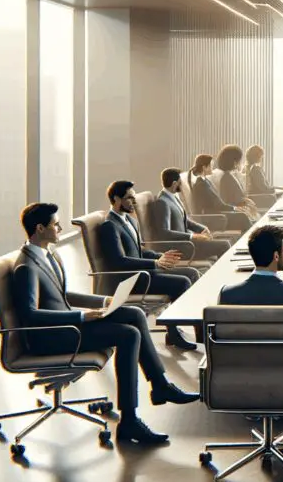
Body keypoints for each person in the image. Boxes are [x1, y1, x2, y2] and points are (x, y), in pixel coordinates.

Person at [12, 202, 199, 446]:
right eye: (55, 224)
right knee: (128, 335)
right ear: (39, 228)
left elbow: (62, 295)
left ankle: (160, 384)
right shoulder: (26, 267)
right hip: (54, 336)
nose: (59, 227)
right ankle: (129, 420)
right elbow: (30, 315)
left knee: (133, 313)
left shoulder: (48, 254)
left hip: (69, 326)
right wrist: (80, 317)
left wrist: (103, 300)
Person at [99, 180, 200, 349]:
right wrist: (154, 263)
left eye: (134, 197)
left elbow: (139, 250)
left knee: (191, 272)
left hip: (144, 272)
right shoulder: (110, 226)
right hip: (132, 279)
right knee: (182, 282)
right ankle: (173, 332)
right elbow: (118, 261)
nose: (134, 201)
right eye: (129, 198)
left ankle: (196, 327)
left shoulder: (130, 221)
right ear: (116, 199)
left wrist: (160, 256)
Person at [154, 167, 232, 261]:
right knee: (224, 245)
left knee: (221, 243)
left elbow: (184, 220)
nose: (182, 184)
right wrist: (193, 236)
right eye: (180, 182)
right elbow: (164, 233)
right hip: (182, 248)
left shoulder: (172, 197)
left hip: (187, 244)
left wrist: (202, 228)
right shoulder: (162, 202)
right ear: (174, 184)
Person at [189, 153, 253, 230]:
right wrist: (234, 208)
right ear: (204, 167)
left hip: (217, 213)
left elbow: (217, 202)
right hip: (214, 218)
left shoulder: (206, 181)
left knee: (246, 217)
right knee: (242, 217)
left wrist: (234, 208)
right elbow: (217, 204)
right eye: (210, 166)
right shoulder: (200, 185)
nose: (212, 168)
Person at [215, 144, 258, 213]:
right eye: (240, 160)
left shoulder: (230, 175)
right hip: (237, 214)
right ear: (235, 162)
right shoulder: (227, 178)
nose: (241, 162)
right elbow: (230, 201)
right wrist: (246, 204)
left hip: (241, 211)